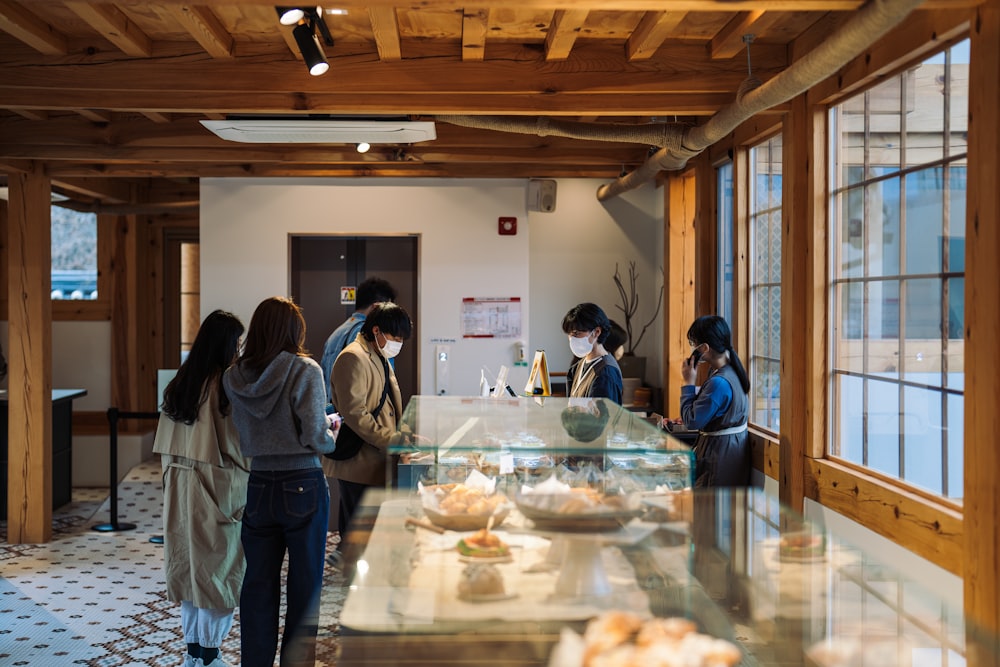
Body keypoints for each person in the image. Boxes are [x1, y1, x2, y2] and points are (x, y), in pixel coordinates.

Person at [222, 296, 338, 667]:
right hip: (302, 481)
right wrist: (331, 431)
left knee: (257, 586)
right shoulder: (306, 370)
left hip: (257, 482)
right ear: (293, 331)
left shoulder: (233, 376)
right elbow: (316, 436)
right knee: (304, 588)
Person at [152, 309, 249, 667]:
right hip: (216, 486)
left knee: (190, 568)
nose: (239, 349)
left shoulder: (181, 381)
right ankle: (209, 654)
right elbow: (239, 446)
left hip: (179, 485)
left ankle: (194, 653)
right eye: (237, 342)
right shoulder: (223, 384)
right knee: (219, 572)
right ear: (226, 344)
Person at [326, 302, 414, 553]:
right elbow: (356, 414)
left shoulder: (378, 354)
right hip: (359, 459)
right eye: (395, 337)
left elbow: (389, 403)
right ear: (376, 330)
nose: (398, 343)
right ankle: (352, 585)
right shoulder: (353, 357)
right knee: (357, 531)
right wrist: (392, 439)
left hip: (376, 456)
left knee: (371, 530)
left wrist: (404, 433)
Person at [677, 315, 751, 487]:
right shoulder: (730, 370)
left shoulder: (719, 383)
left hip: (719, 456)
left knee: (710, 509)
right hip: (730, 452)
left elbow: (692, 421)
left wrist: (688, 383)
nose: (692, 348)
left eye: (693, 344)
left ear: (704, 348)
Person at [319, 276, 397, 400]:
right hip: (359, 414)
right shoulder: (368, 333)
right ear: (376, 307)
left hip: (335, 412)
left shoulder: (336, 334)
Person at [561, 302, 624, 404]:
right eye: (570, 334)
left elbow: (605, 417)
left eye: (577, 333)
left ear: (596, 332)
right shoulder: (578, 367)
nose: (572, 339)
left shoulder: (606, 373)